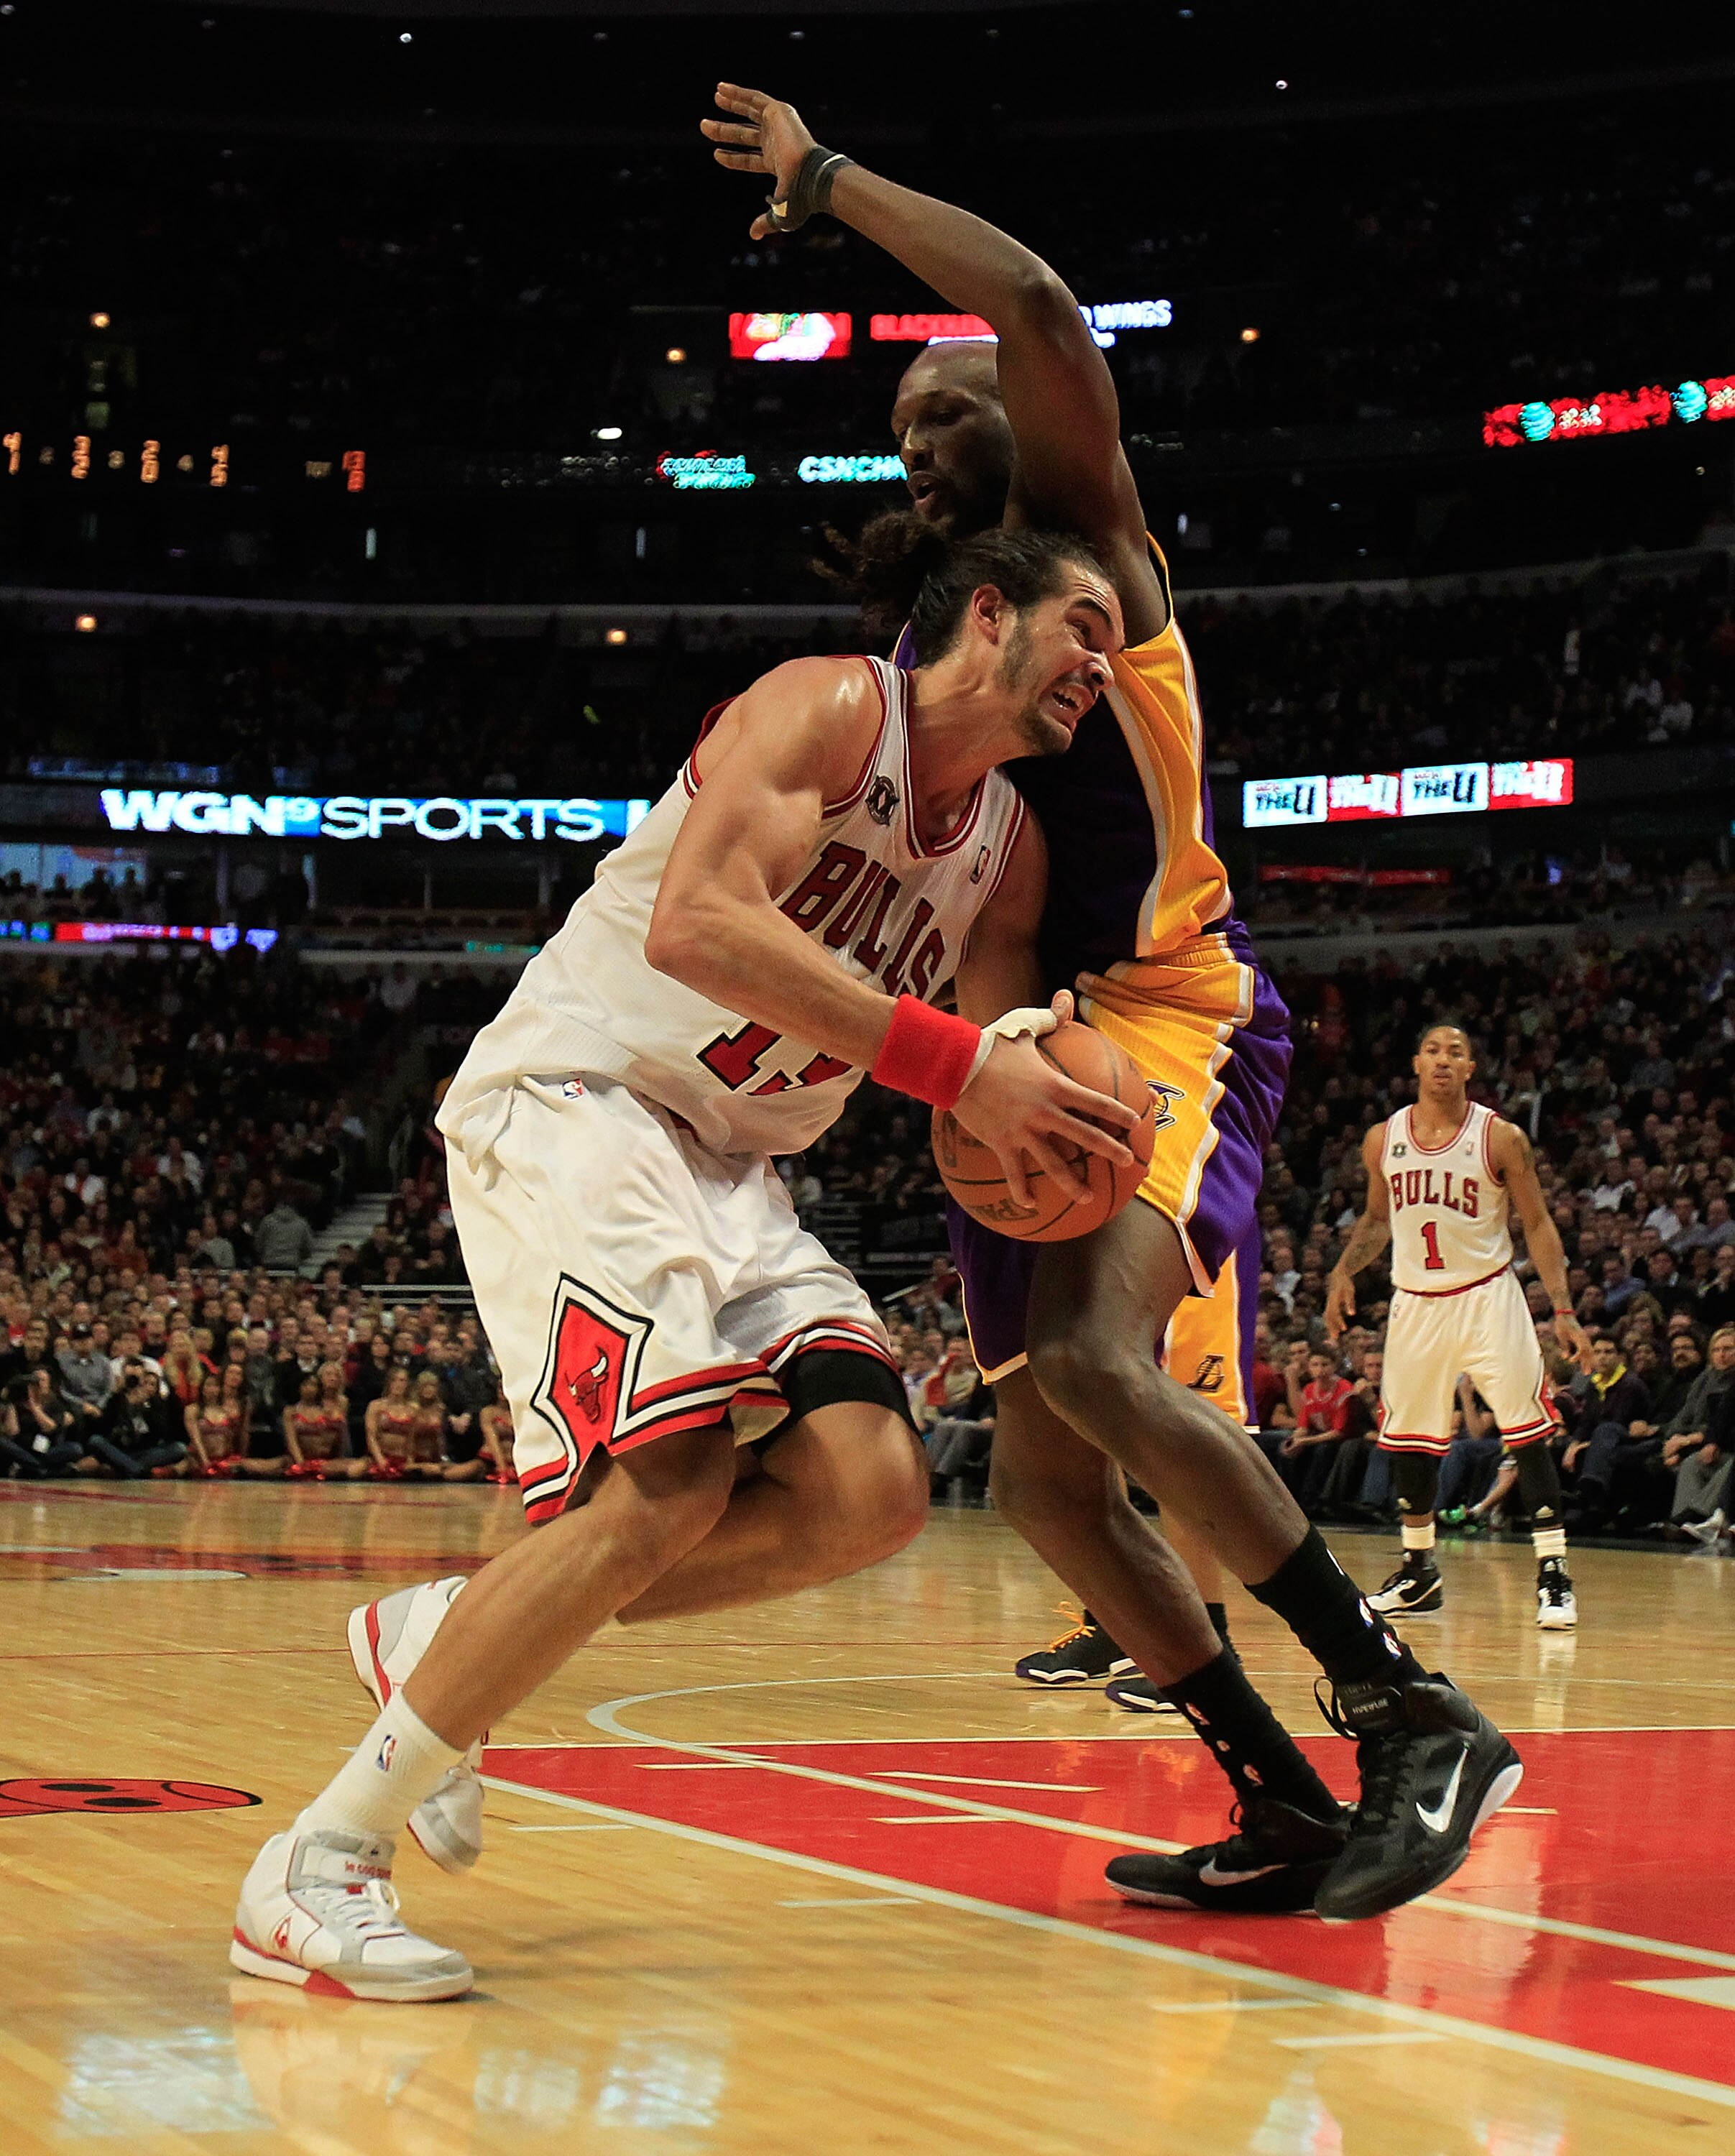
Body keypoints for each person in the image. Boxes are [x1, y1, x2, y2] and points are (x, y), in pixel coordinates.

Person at [699, 83, 1520, 1924]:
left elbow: (1042, 311)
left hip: (1170, 1008)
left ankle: (1413, 1715)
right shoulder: (932, 656)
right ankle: (1281, 1803)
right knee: (1049, 1485)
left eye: (943, 405)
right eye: (897, 424)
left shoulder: (1096, 569)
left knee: (1089, 1358)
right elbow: (978, 900)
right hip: (1035, 1032)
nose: (918, 435)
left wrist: (828, 184)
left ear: (1015, 417)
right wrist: (967, 1076)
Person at [232, 523, 1151, 2000]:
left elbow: (1000, 1056)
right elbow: (698, 925)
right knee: (667, 1483)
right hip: (585, 1094)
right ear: (989, 613)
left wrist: (1066, 1101)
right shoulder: (829, 711)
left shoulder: (1009, 851)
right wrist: (967, 1068)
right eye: (1085, 625)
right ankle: (321, 1860)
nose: (1103, 665)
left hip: (734, 1163)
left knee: (869, 1489)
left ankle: (448, 1634)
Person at [1326, 1023, 1592, 1630]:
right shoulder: (1383, 1139)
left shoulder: (1500, 1138)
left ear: (1471, 1068)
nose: (1443, 1061)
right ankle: (1419, 1572)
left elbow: (1540, 1225)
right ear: (1416, 1062)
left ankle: (1553, 1574)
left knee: (1526, 1431)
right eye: (1433, 1051)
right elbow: (1374, 1220)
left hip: (1487, 1297)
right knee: (1410, 1441)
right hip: (1415, 1302)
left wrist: (1564, 1308)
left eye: (1456, 1053)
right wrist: (1343, 1271)